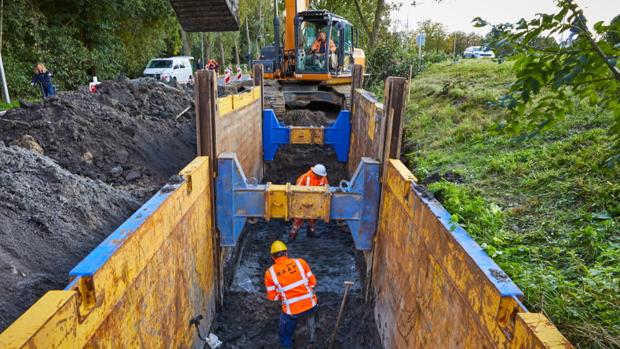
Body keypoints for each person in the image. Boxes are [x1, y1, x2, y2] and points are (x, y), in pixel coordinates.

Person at [264, 240, 317, 349]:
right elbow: (313, 283)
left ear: (272, 257)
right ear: (286, 253)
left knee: (285, 335)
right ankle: (312, 337)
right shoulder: (300, 262)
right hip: (311, 306)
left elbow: (272, 297)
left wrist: (283, 294)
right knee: (311, 308)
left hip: (292, 311)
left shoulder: (270, 273)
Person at [289, 164, 328, 241]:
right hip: (302, 202)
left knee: (313, 218)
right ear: (315, 173)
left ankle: (311, 233)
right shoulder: (305, 177)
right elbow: (297, 189)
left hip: (315, 202)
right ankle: (292, 236)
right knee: (298, 219)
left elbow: (325, 189)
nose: (320, 177)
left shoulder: (323, 179)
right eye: (319, 176)